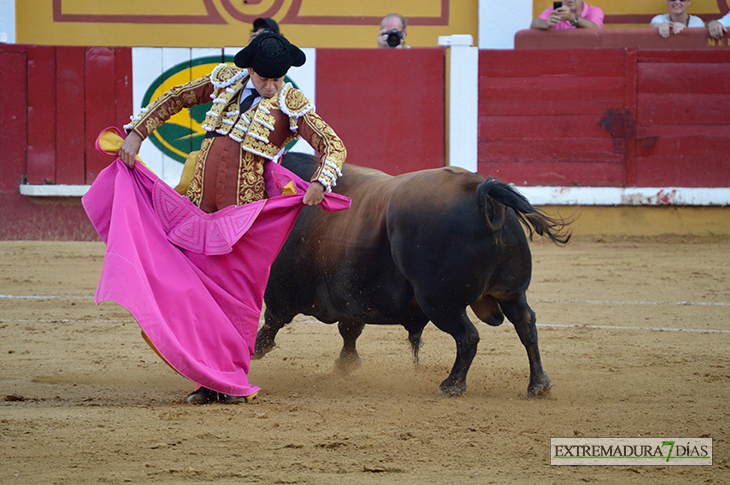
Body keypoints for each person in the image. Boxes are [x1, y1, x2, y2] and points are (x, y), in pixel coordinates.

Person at [116, 33, 348, 404]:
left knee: (239, 300)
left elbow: (332, 144)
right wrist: (137, 133)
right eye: (264, 79)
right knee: (195, 293)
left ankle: (230, 379)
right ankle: (205, 378)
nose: (272, 87)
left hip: (244, 219)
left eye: (278, 79)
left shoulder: (291, 103)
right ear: (251, 69)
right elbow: (174, 98)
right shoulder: (225, 79)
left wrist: (322, 180)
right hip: (197, 210)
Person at [531, 0, 604, 30]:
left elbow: (596, 29)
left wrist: (572, 18)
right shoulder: (554, 10)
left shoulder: (593, 11)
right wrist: (546, 23)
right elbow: (534, 23)